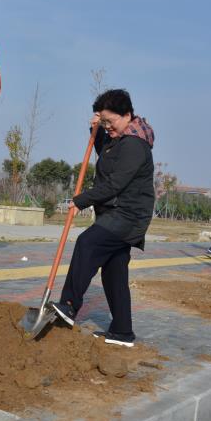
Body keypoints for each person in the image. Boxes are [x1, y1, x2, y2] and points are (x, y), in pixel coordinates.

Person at [51, 89, 155, 348]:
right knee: (113, 272)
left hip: (127, 215)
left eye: (110, 121)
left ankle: (69, 305)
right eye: (104, 121)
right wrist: (95, 131)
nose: (107, 126)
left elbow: (115, 183)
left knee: (87, 242)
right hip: (115, 213)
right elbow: (107, 160)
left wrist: (80, 200)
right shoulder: (119, 141)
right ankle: (122, 331)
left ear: (127, 115)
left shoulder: (134, 144)